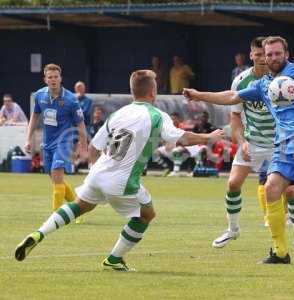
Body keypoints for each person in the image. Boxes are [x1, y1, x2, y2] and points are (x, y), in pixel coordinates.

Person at [15, 69, 224, 271]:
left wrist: (94, 171)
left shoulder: (118, 113)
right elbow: (183, 138)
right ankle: (114, 259)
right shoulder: (157, 115)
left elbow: (94, 147)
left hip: (99, 172)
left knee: (80, 206)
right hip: (122, 180)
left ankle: (39, 233)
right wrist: (209, 137)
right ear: (153, 92)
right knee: (146, 214)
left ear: (133, 92)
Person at [184, 36, 294, 264]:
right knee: (271, 188)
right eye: (269, 54)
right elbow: (232, 97)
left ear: (286, 54)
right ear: (264, 57)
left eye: (277, 53)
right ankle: (280, 252)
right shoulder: (261, 85)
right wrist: (198, 95)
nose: (273, 57)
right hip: (283, 142)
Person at [211, 37, 294, 252]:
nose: (263, 59)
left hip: (280, 143)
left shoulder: (284, 80)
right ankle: (233, 229)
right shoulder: (241, 82)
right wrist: (242, 141)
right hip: (253, 142)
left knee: (290, 191)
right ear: (252, 56)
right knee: (233, 183)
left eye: (266, 55)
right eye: (258, 55)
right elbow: (235, 118)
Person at [24, 64, 87, 212]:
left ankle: (55, 217)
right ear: (45, 79)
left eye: (56, 77)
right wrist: (28, 139)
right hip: (47, 143)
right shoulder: (40, 95)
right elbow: (34, 117)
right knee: (55, 179)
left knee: (57, 175)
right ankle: (77, 210)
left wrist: (82, 147)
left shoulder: (71, 99)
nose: (53, 80)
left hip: (64, 143)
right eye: (50, 77)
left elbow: (81, 124)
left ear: (61, 78)